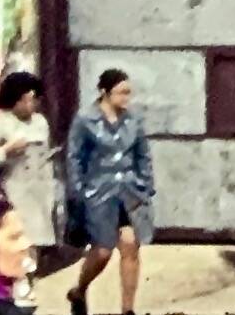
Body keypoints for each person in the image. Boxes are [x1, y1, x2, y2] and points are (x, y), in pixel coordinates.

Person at [65, 68, 154, 315]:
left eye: (129, 93)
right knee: (102, 250)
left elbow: (142, 154)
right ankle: (79, 289)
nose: (126, 98)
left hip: (128, 191)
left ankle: (127, 309)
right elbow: (74, 158)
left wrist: (145, 185)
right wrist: (79, 191)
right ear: (105, 92)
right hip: (98, 191)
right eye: (121, 92)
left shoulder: (133, 120)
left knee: (130, 245)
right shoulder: (85, 119)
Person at [0, 72, 59, 270]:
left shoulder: (40, 122)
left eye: (33, 100)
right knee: (19, 243)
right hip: (14, 190)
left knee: (39, 245)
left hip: (41, 190)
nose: (29, 106)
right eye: (24, 101)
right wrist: (7, 150)